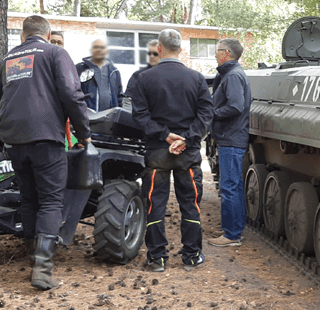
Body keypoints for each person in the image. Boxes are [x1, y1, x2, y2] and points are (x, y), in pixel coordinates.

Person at [0, 15, 92, 291]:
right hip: (46, 136)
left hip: (14, 139)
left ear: (23, 36)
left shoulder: (9, 58)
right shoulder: (55, 53)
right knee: (50, 201)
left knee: (29, 195)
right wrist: (84, 134)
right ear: (47, 35)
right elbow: (72, 94)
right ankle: (43, 269)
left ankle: (30, 251)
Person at [129, 29, 214, 272]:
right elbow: (206, 114)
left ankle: (157, 258)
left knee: (155, 205)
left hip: (157, 153)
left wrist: (165, 135)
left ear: (159, 48)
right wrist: (186, 139)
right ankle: (192, 256)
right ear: (181, 49)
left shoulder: (143, 78)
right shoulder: (197, 79)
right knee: (190, 204)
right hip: (187, 155)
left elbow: (140, 116)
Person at [207, 38, 251, 247]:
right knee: (232, 185)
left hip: (231, 138)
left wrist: (212, 114)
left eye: (217, 51)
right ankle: (232, 228)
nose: (215, 54)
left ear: (226, 53)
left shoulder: (233, 76)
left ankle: (232, 235)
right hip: (231, 137)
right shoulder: (230, 74)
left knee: (229, 187)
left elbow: (235, 106)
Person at [77, 39, 123, 111]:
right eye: (96, 47)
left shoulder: (114, 72)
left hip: (110, 118)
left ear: (106, 51)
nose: (99, 50)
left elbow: (119, 96)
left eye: (102, 47)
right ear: (91, 50)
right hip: (87, 117)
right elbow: (73, 92)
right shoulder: (80, 68)